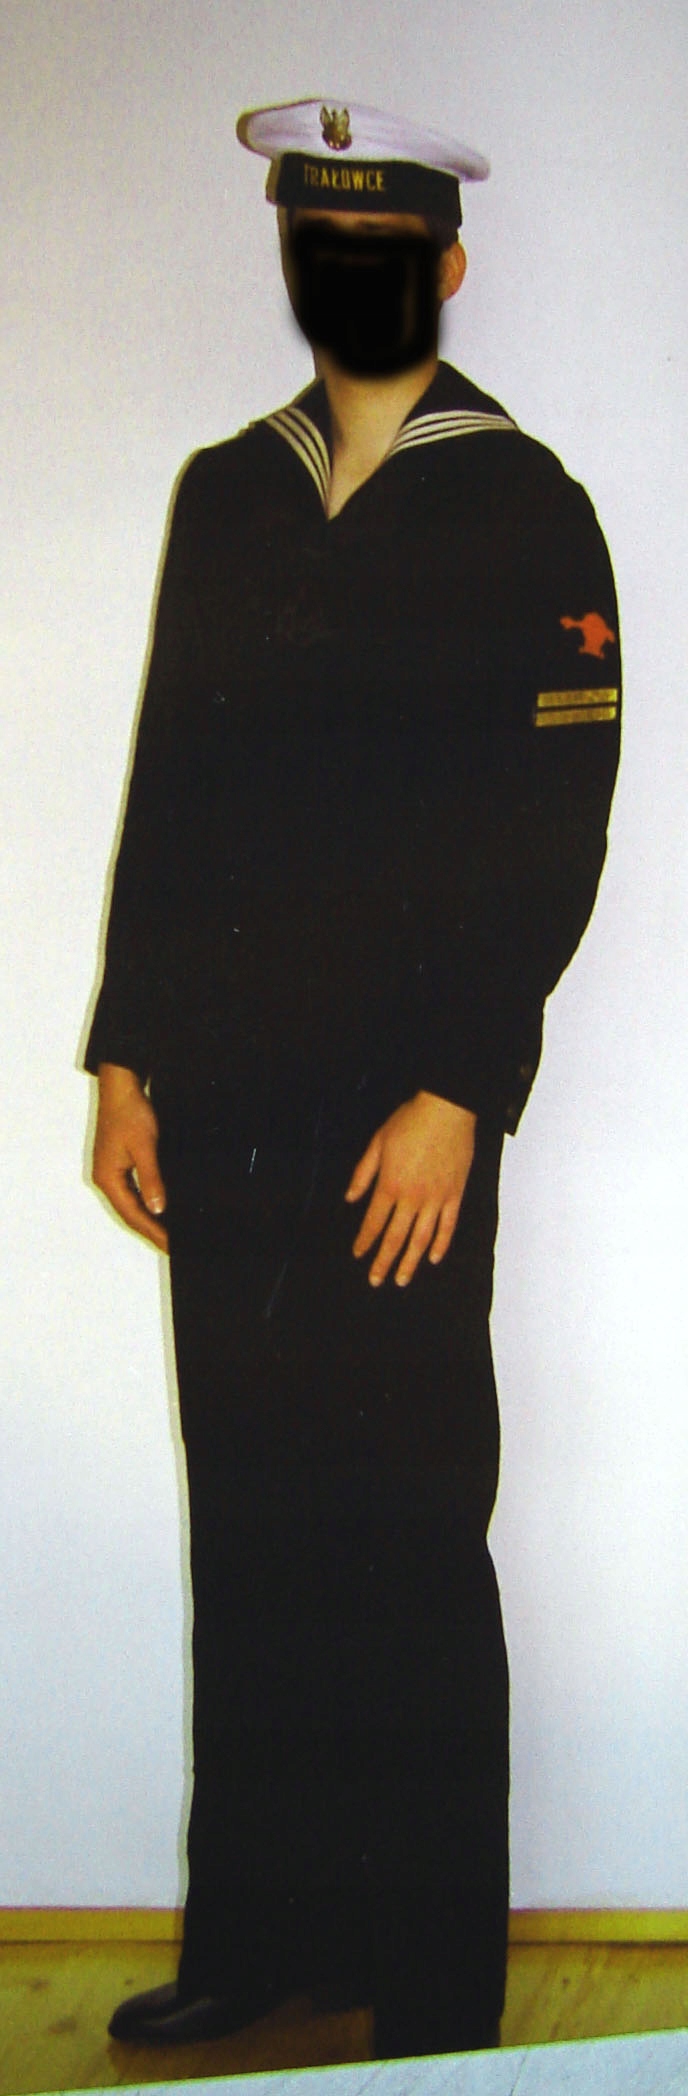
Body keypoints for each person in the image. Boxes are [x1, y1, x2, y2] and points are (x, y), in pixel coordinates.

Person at [84, 96, 621, 2058]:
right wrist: (123, 1052)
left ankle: (428, 1982)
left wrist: (461, 1085)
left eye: (384, 247)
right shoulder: (228, 491)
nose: (352, 277)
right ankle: (262, 1936)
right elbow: (168, 779)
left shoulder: (523, 504)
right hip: (219, 1096)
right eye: (319, 246)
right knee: (253, 1520)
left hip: (400, 1110)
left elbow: (553, 816)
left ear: (444, 264)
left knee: (400, 1528)